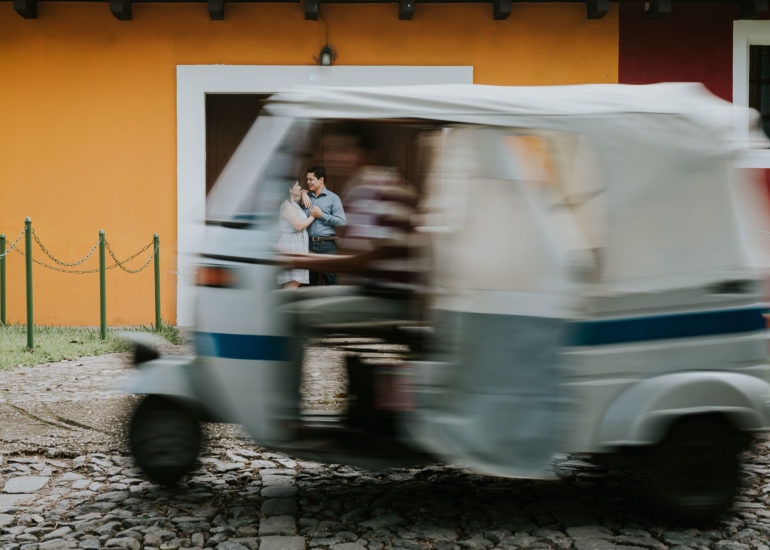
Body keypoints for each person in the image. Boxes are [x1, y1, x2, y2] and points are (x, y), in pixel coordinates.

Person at [301, 166, 346, 285]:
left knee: (331, 281)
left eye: (311, 179)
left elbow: (341, 221)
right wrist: (303, 193)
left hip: (327, 245)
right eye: (307, 179)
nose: (308, 182)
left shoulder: (333, 198)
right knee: (309, 284)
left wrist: (321, 215)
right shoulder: (306, 197)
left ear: (321, 180)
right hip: (309, 244)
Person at [276, 181, 315, 289]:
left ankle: (285, 302)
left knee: (294, 281)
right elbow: (298, 226)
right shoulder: (288, 206)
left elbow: (305, 191)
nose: (300, 187)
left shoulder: (293, 204)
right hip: (291, 244)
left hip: (297, 243)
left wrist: (303, 193)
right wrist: (313, 217)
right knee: (294, 281)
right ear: (290, 189)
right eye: (297, 185)